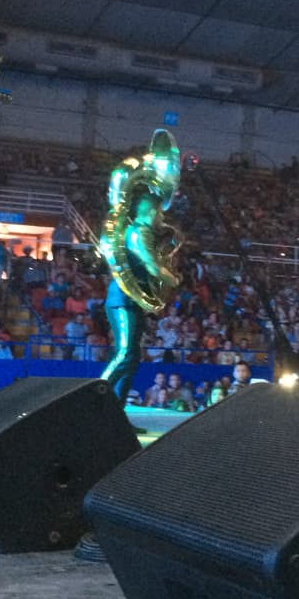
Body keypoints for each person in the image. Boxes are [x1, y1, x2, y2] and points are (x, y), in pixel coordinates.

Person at [98, 130, 182, 405]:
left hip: (131, 301)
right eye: (159, 212)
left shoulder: (143, 231)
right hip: (123, 300)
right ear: (151, 210)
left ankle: (115, 411)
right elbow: (154, 268)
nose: (162, 215)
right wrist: (174, 278)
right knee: (124, 354)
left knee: (132, 357)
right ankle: (95, 400)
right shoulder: (138, 233)